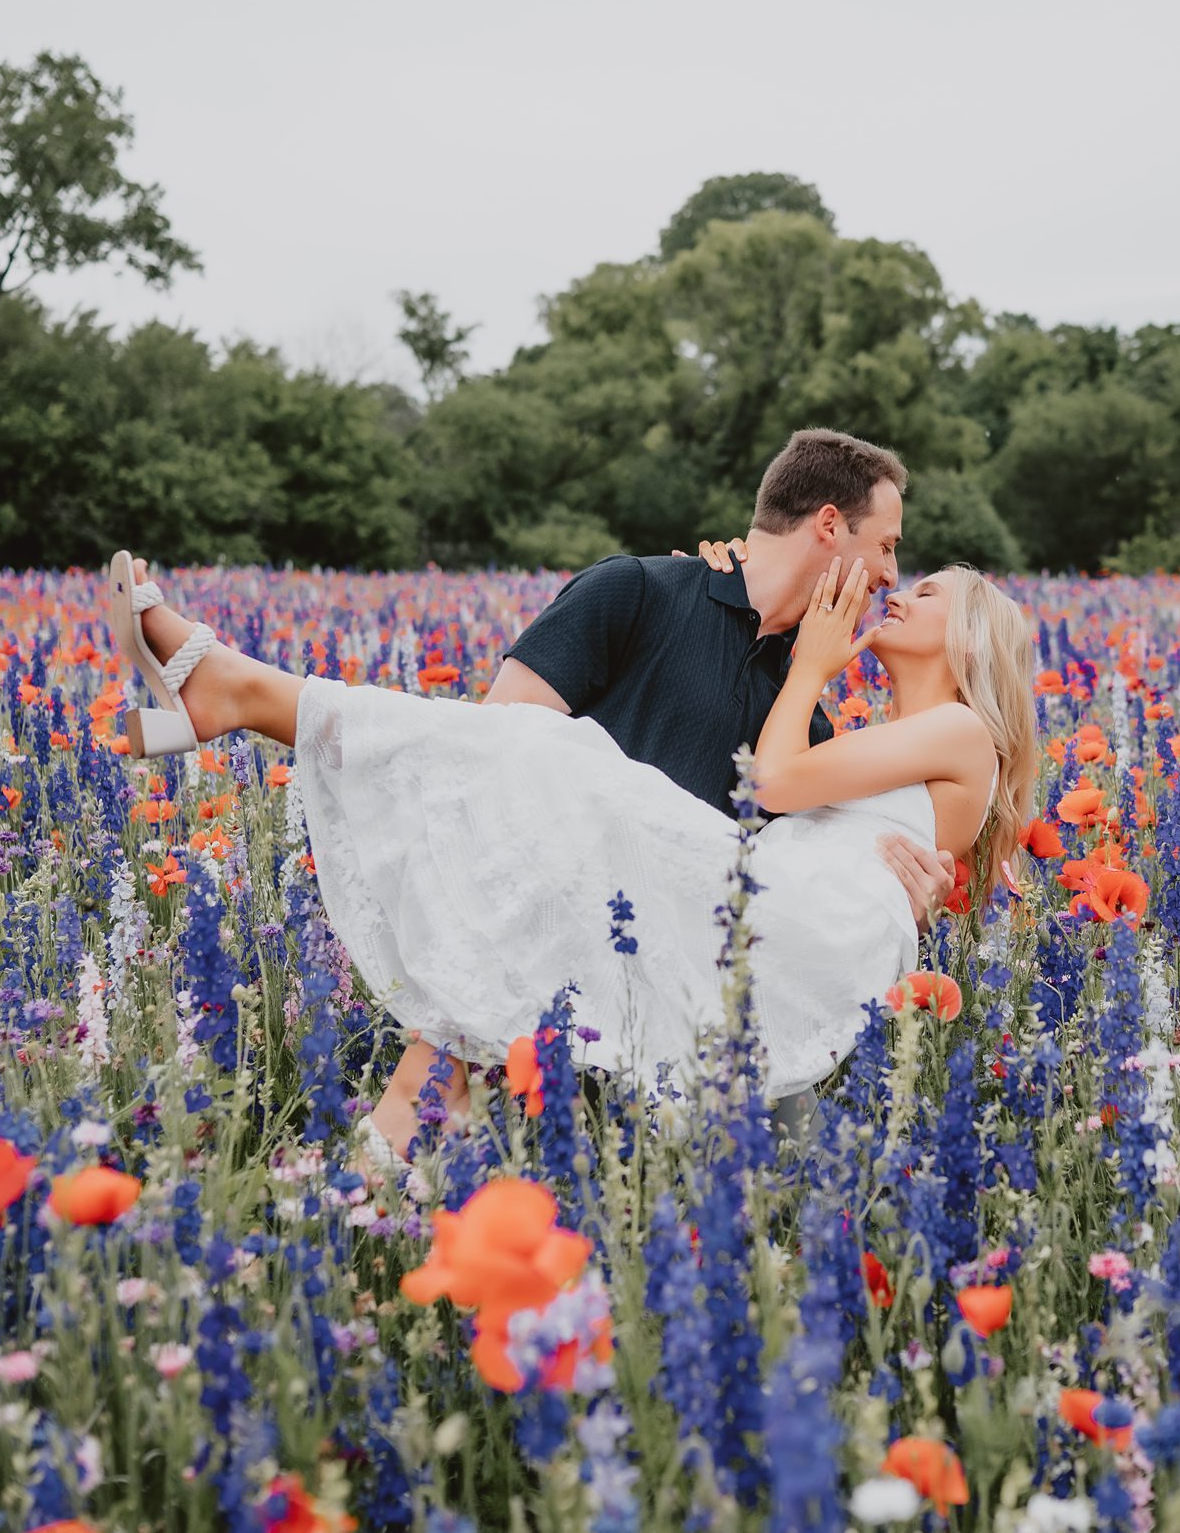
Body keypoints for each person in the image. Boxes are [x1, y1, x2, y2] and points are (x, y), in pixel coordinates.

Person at [106, 466, 1035, 1170]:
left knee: (556, 767)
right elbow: (824, 815)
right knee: (532, 772)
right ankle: (375, 1195)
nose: (891, 578)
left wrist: (909, 870)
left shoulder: (884, 717)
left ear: (963, 640)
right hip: (703, 921)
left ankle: (242, 693)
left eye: (916, 582)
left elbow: (784, 786)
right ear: (831, 525)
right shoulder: (653, 595)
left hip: (760, 943)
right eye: (890, 552)